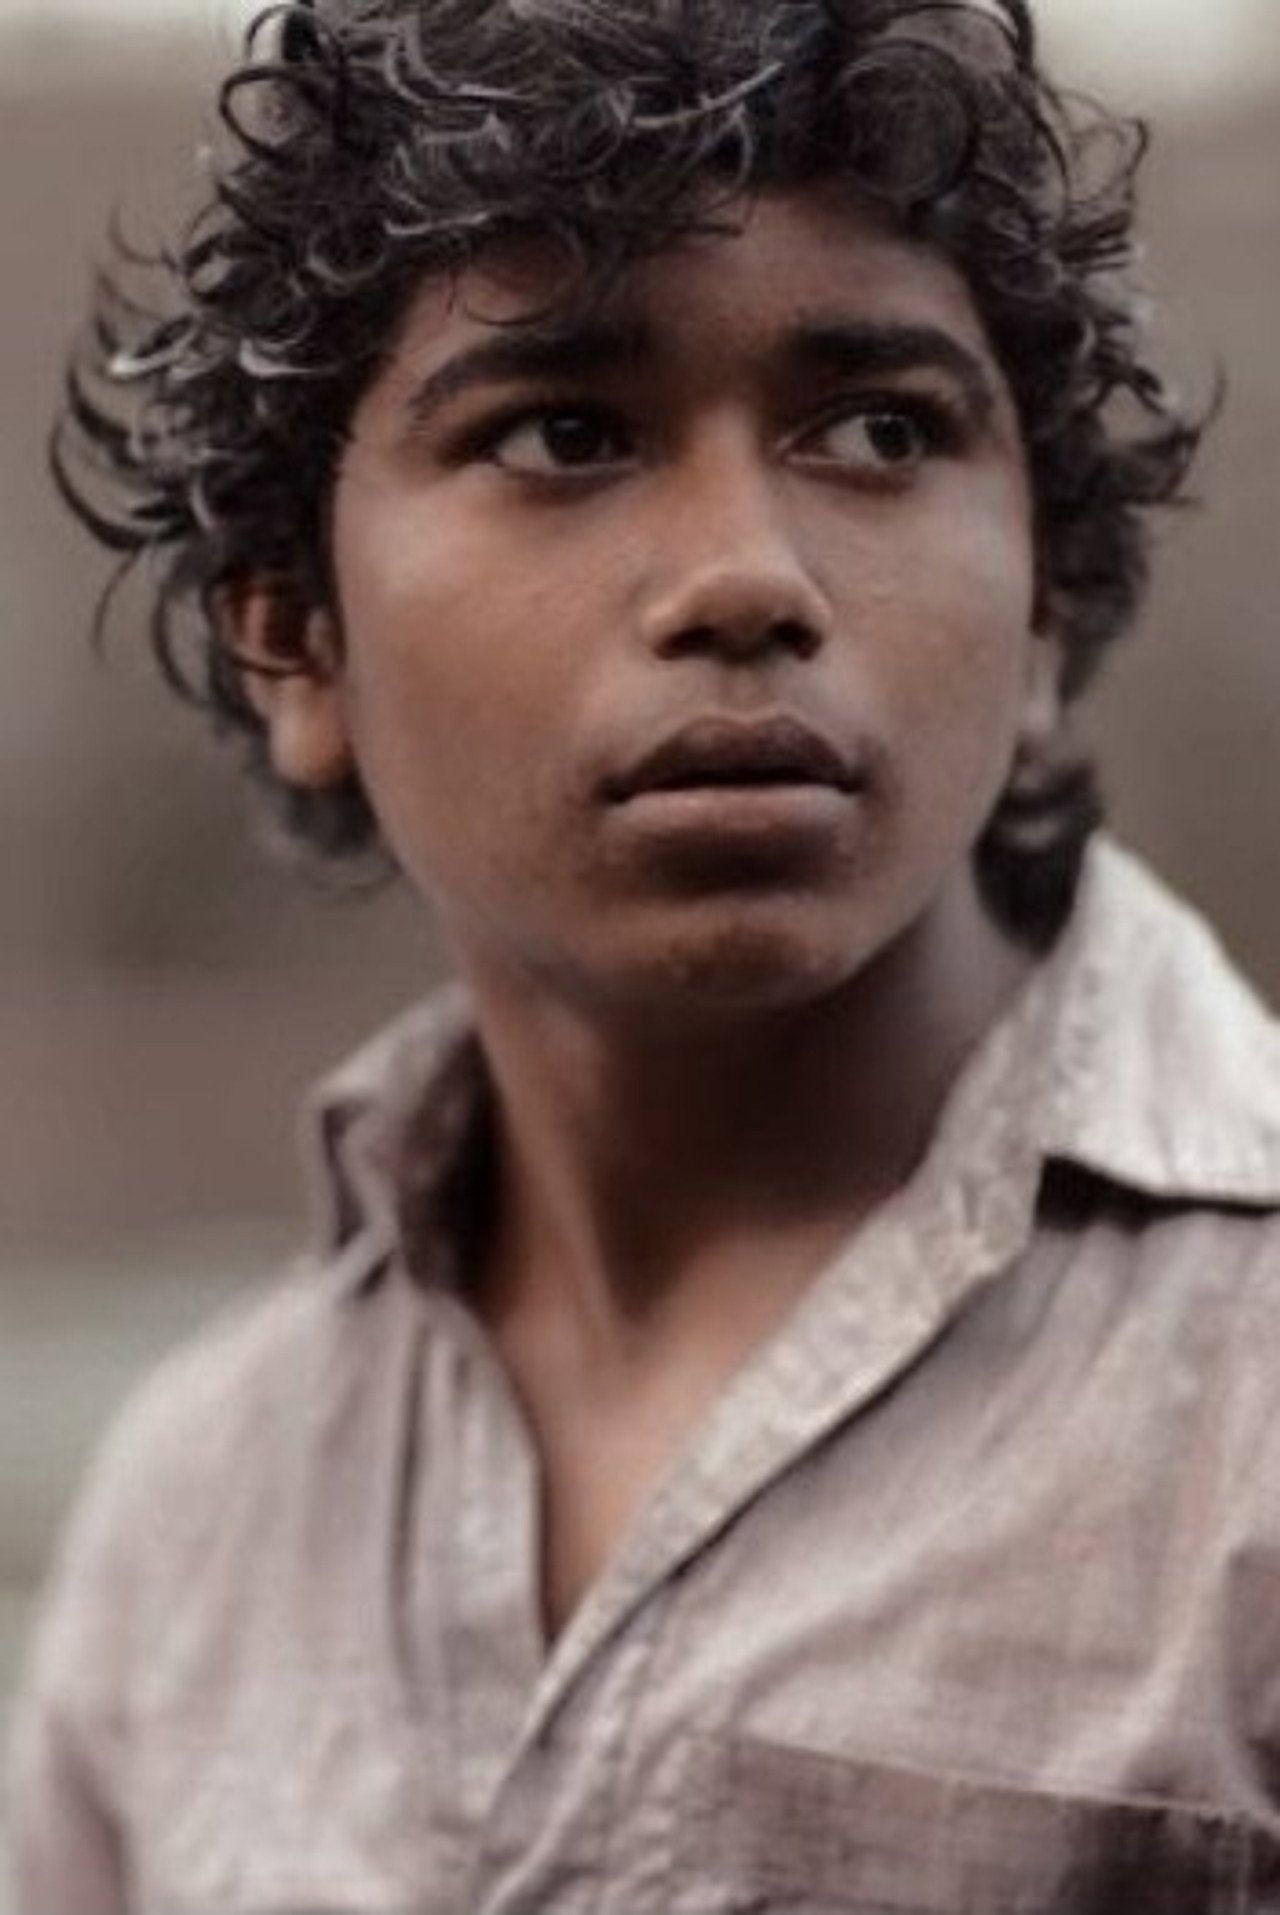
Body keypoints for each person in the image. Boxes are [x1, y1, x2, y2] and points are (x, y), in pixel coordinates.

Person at [10, 0, 1280, 1908]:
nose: (747, 576)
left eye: (882, 428)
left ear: (1040, 620)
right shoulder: (205, 1514)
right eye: (565, 432)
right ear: (295, 642)